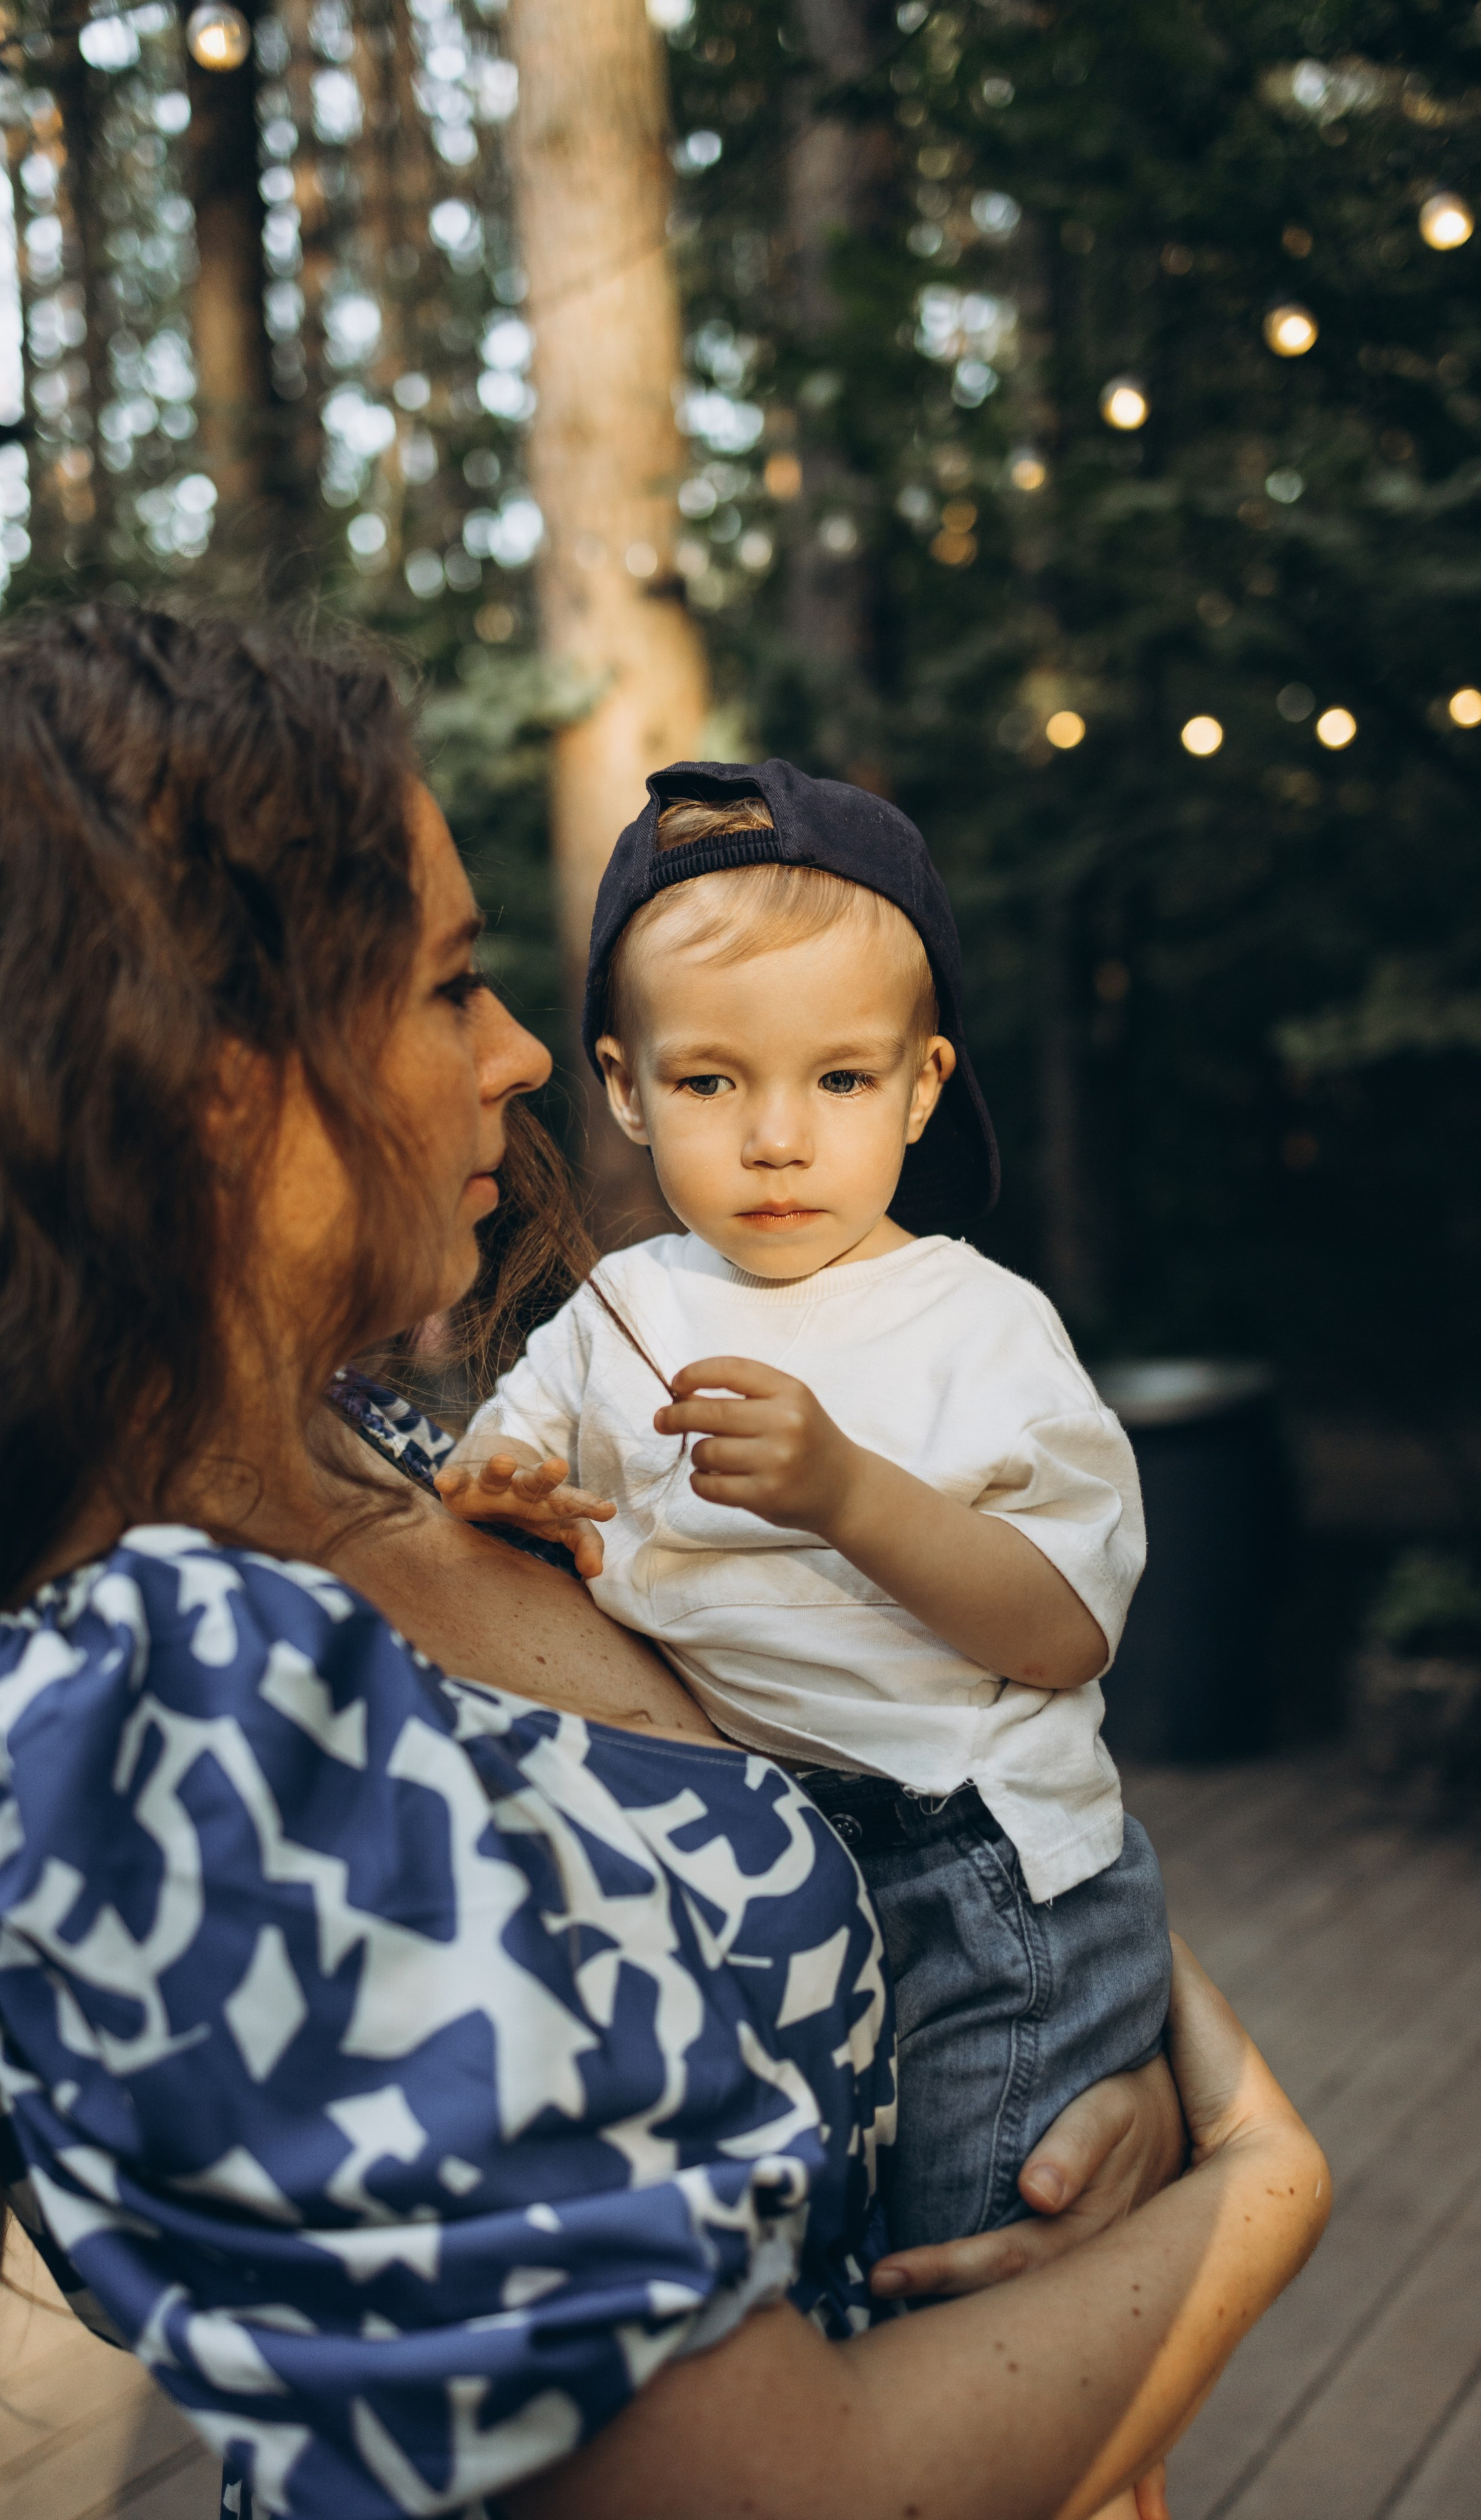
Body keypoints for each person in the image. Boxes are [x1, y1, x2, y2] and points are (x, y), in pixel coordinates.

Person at [0, 607, 1327, 2520]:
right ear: (205, 1070)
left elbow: (896, 1732)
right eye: (452, 984)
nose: (526, 1051)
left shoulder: (389, 1460)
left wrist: (1097, 2067)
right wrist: (1256, 2179)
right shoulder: (158, 1702)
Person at [436, 763, 1170, 2249]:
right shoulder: (617, 1310)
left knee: (961, 2241)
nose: (777, 1137)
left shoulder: (978, 1323)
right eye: (710, 1082)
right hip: (758, 1867)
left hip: (974, 1871)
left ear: (921, 1085)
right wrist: (506, 1490)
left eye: (839, 1080)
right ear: (626, 1087)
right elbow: (496, 1467)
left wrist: (847, 1492)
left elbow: (1063, 1634)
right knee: (807, 2244)